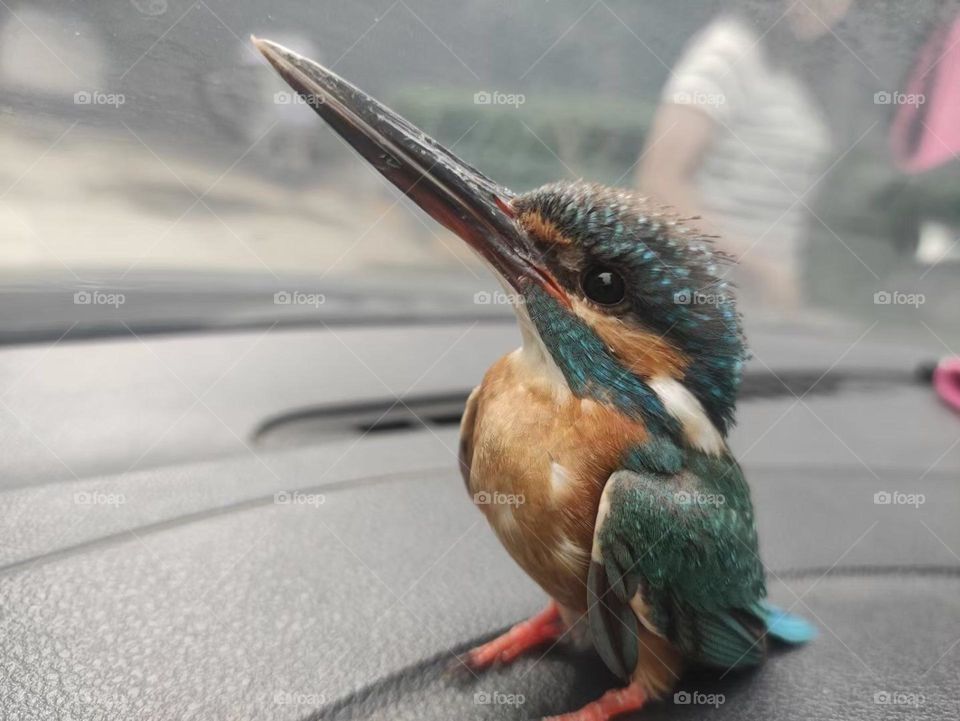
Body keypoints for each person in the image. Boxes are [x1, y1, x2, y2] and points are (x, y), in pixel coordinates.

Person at [637, 1, 855, 309]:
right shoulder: (727, 52)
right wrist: (760, 272)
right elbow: (659, 184)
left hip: (757, 315)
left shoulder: (792, 63)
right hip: (701, 308)